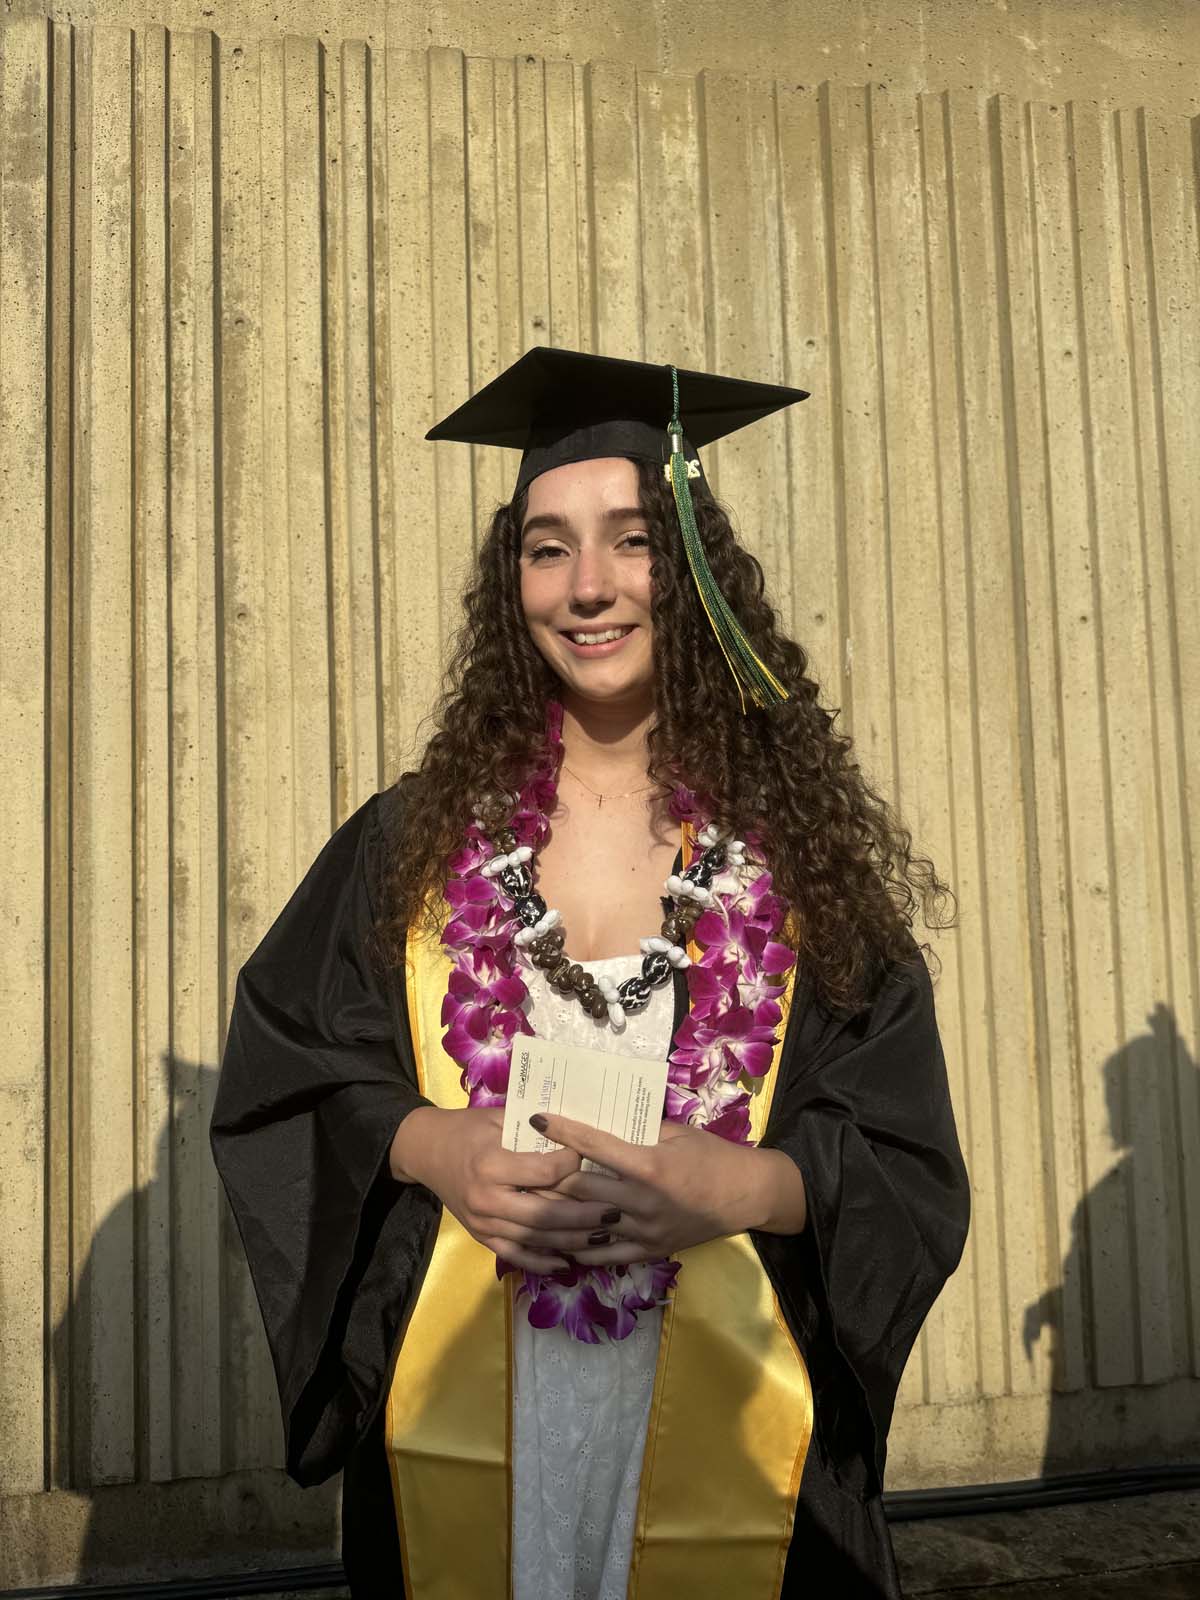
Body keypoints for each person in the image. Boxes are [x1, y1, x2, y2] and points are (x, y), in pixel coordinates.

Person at [211, 347, 971, 1600]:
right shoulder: (414, 842)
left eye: (631, 540)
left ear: (694, 574)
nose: (589, 586)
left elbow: (906, 1158)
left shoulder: (796, 855)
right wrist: (426, 1146)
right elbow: (288, 1064)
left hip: (734, 1445)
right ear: (511, 582)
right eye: (546, 545)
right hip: (467, 1436)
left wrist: (755, 1183)